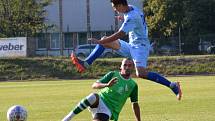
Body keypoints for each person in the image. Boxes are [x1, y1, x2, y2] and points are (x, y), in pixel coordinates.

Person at [71, 0, 182, 100]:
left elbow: (120, 34)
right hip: (131, 45)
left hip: (140, 47)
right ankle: (86, 63)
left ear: (120, 5)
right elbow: (132, 18)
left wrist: (100, 42)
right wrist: (122, 18)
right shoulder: (131, 8)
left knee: (141, 73)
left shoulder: (131, 17)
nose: (115, 10)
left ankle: (172, 85)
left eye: (115, 7)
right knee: (105, 40)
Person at [62, 58, 141, 121]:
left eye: (130, 65)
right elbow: (94, 85)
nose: (127, 67)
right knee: (93, 96)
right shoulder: (113, 74)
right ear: (121, 67)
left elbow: (135, 104)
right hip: (100, 100)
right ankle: (67, 118)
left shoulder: (133, 85)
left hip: (108, 110)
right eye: (125, 65)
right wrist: (106, 85)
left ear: (133, 67)